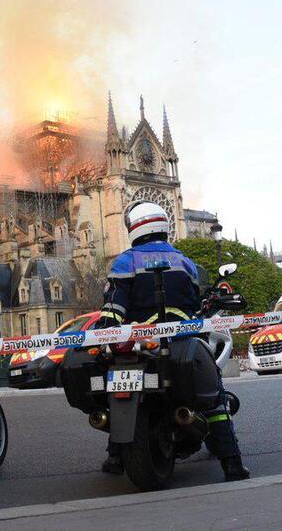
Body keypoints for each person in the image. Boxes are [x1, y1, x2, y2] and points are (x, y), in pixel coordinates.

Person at [97, 200, 251, 482]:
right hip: (181, 339)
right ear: (163, 226)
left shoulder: (124, 261)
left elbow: (113, 308)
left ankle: (115, 456)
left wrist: (105, 331)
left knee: (121, 384)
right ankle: (232, 464)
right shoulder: (184, 262)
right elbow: (194, 304)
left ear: (133, 228)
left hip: (138, 344)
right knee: (214, 399)